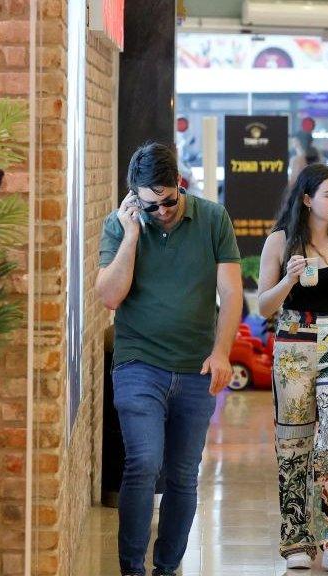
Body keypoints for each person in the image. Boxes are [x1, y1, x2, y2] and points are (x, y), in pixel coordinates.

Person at [96, 142, 244, 576]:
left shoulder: (213, 218)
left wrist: (221, 352)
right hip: (138, 363)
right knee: (143, 462)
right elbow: (109, 296)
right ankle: (131, 569)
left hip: (196, 366)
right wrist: (132, 234)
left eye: (168, 199)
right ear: (133, 197)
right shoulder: (119, 226)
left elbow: (232, 292)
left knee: (182, 474)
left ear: (180, 183)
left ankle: (166, 567)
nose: (162, 210)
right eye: (150, 203)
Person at [256, 163, 328, 574]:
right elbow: (263, 306)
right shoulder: (280, 242)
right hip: (292, 343)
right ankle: (295, 540)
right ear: (307, 199)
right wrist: (287, 281)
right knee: (293, 442)